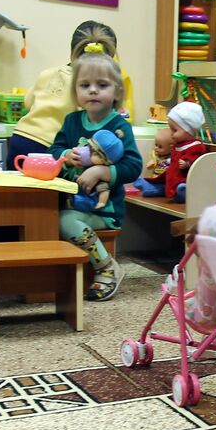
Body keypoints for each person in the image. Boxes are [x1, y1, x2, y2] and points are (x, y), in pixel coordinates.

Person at [50, 50, 142, 301]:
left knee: (65, 221)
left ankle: (106, 267)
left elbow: (134, 166)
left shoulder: (119, 127)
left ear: (116, 92)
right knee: (45, 218)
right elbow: (54, 150)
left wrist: (103, 170)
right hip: (71, 199)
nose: (93, 90)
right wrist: (65, 154)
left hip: (104, 209)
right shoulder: (71, 121)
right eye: (85, 85)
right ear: (76, 92)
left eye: (102, 85)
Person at [8, 21, 135, 166]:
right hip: (50, 148)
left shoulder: (48, 73)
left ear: (72, 53)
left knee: (15, 187)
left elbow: (28, 102)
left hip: (20, 137)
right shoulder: (84, 88)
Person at [64, 128, 125, 213]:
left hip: (86, 200)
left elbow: (104, 189)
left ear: (105, 162)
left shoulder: (99, 175)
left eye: (97, 154)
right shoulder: (81, 164)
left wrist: (101, 202)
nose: (90, 153)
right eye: (90, 148)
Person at [164, 101, 206, 202]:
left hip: (183, 179)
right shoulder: (177, 145)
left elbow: (197, 161)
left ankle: (183, 192)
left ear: (188, 130)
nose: (171, 134)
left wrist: (188, 163)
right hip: (172, 178)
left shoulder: (196, 146)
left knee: (180, 186)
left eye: (175, 130)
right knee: (164, 181)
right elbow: (175, 157)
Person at [133, 126, 173, 197]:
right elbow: (152, 162)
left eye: (160, 147)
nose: (156, 148)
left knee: (161, 188)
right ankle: (146, 185)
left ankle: (149, 189)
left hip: (166, 182)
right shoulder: (156, 156)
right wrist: (151, 163)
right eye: (156, 145)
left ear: (171, 148)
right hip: (155, 178)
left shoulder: (173, 157)